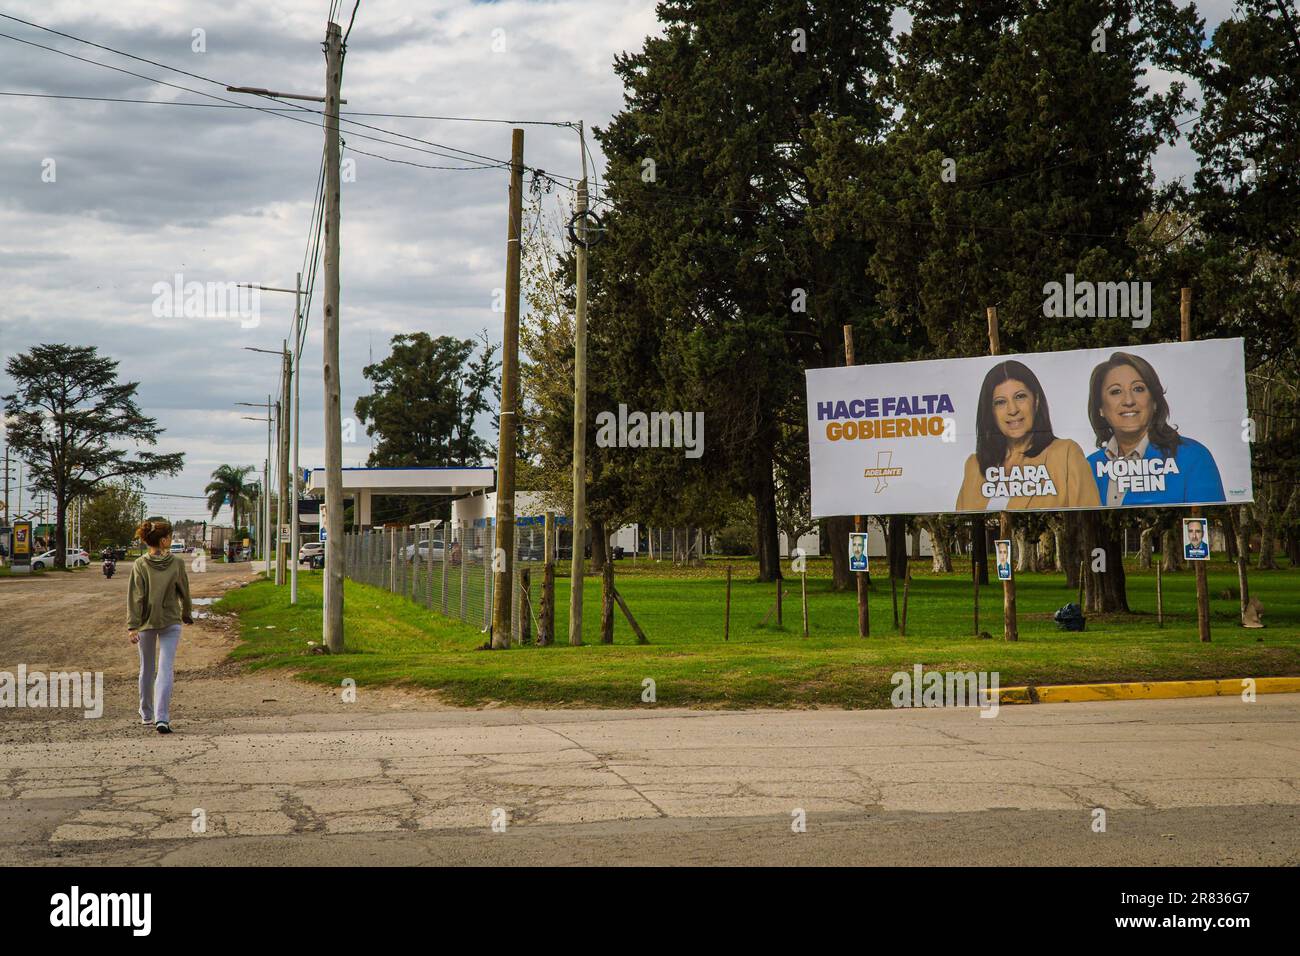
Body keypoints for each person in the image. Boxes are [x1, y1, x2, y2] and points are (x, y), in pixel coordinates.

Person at [956, 360, 1100, 511]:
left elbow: (1089, 520)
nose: (1012, 410)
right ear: (991, 411)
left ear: (1036, 401)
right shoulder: (974, 465)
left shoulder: (1066, 454)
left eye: (1020, 397)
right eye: (1000, 402)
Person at [1086, 352, 1225, 506]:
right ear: (1100, 408)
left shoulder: (1193, 457)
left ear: (1154, 402)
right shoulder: (1087, 467)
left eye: (1138, 389)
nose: (1129, 400)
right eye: (1116, 391)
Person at [127, 518, 193, 734]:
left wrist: (132, 626)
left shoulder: (140, 564)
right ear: (164, 540)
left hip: (146, 623)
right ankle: (161, 718)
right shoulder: (177, 564)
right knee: (165, 669)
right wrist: (186, 614)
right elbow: (184, 591)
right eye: (170, 537)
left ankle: (147, 713)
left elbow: (136, 597)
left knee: (147, 668)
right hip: (171, 622)